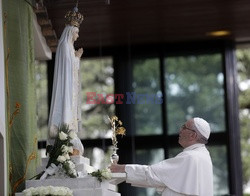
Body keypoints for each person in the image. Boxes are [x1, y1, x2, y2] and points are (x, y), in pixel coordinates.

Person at [110, 117, 213, 196]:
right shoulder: (203, 156)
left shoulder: (191, 157)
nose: (180, 130)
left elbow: (152, 174)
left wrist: (122, 168)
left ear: (193, 136)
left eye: (184, 127)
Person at [48, 6, 84, 155]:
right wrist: (76, 58)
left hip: (70, 87)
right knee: (65, 112)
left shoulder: (69, 47)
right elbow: (67, 68)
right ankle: (64, 137)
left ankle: (68, 138)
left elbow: (71, 67)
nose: (77, 36)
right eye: (76, 33)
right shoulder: (64, 46)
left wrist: (76, 58)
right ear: (70, 31)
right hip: (65, 87)